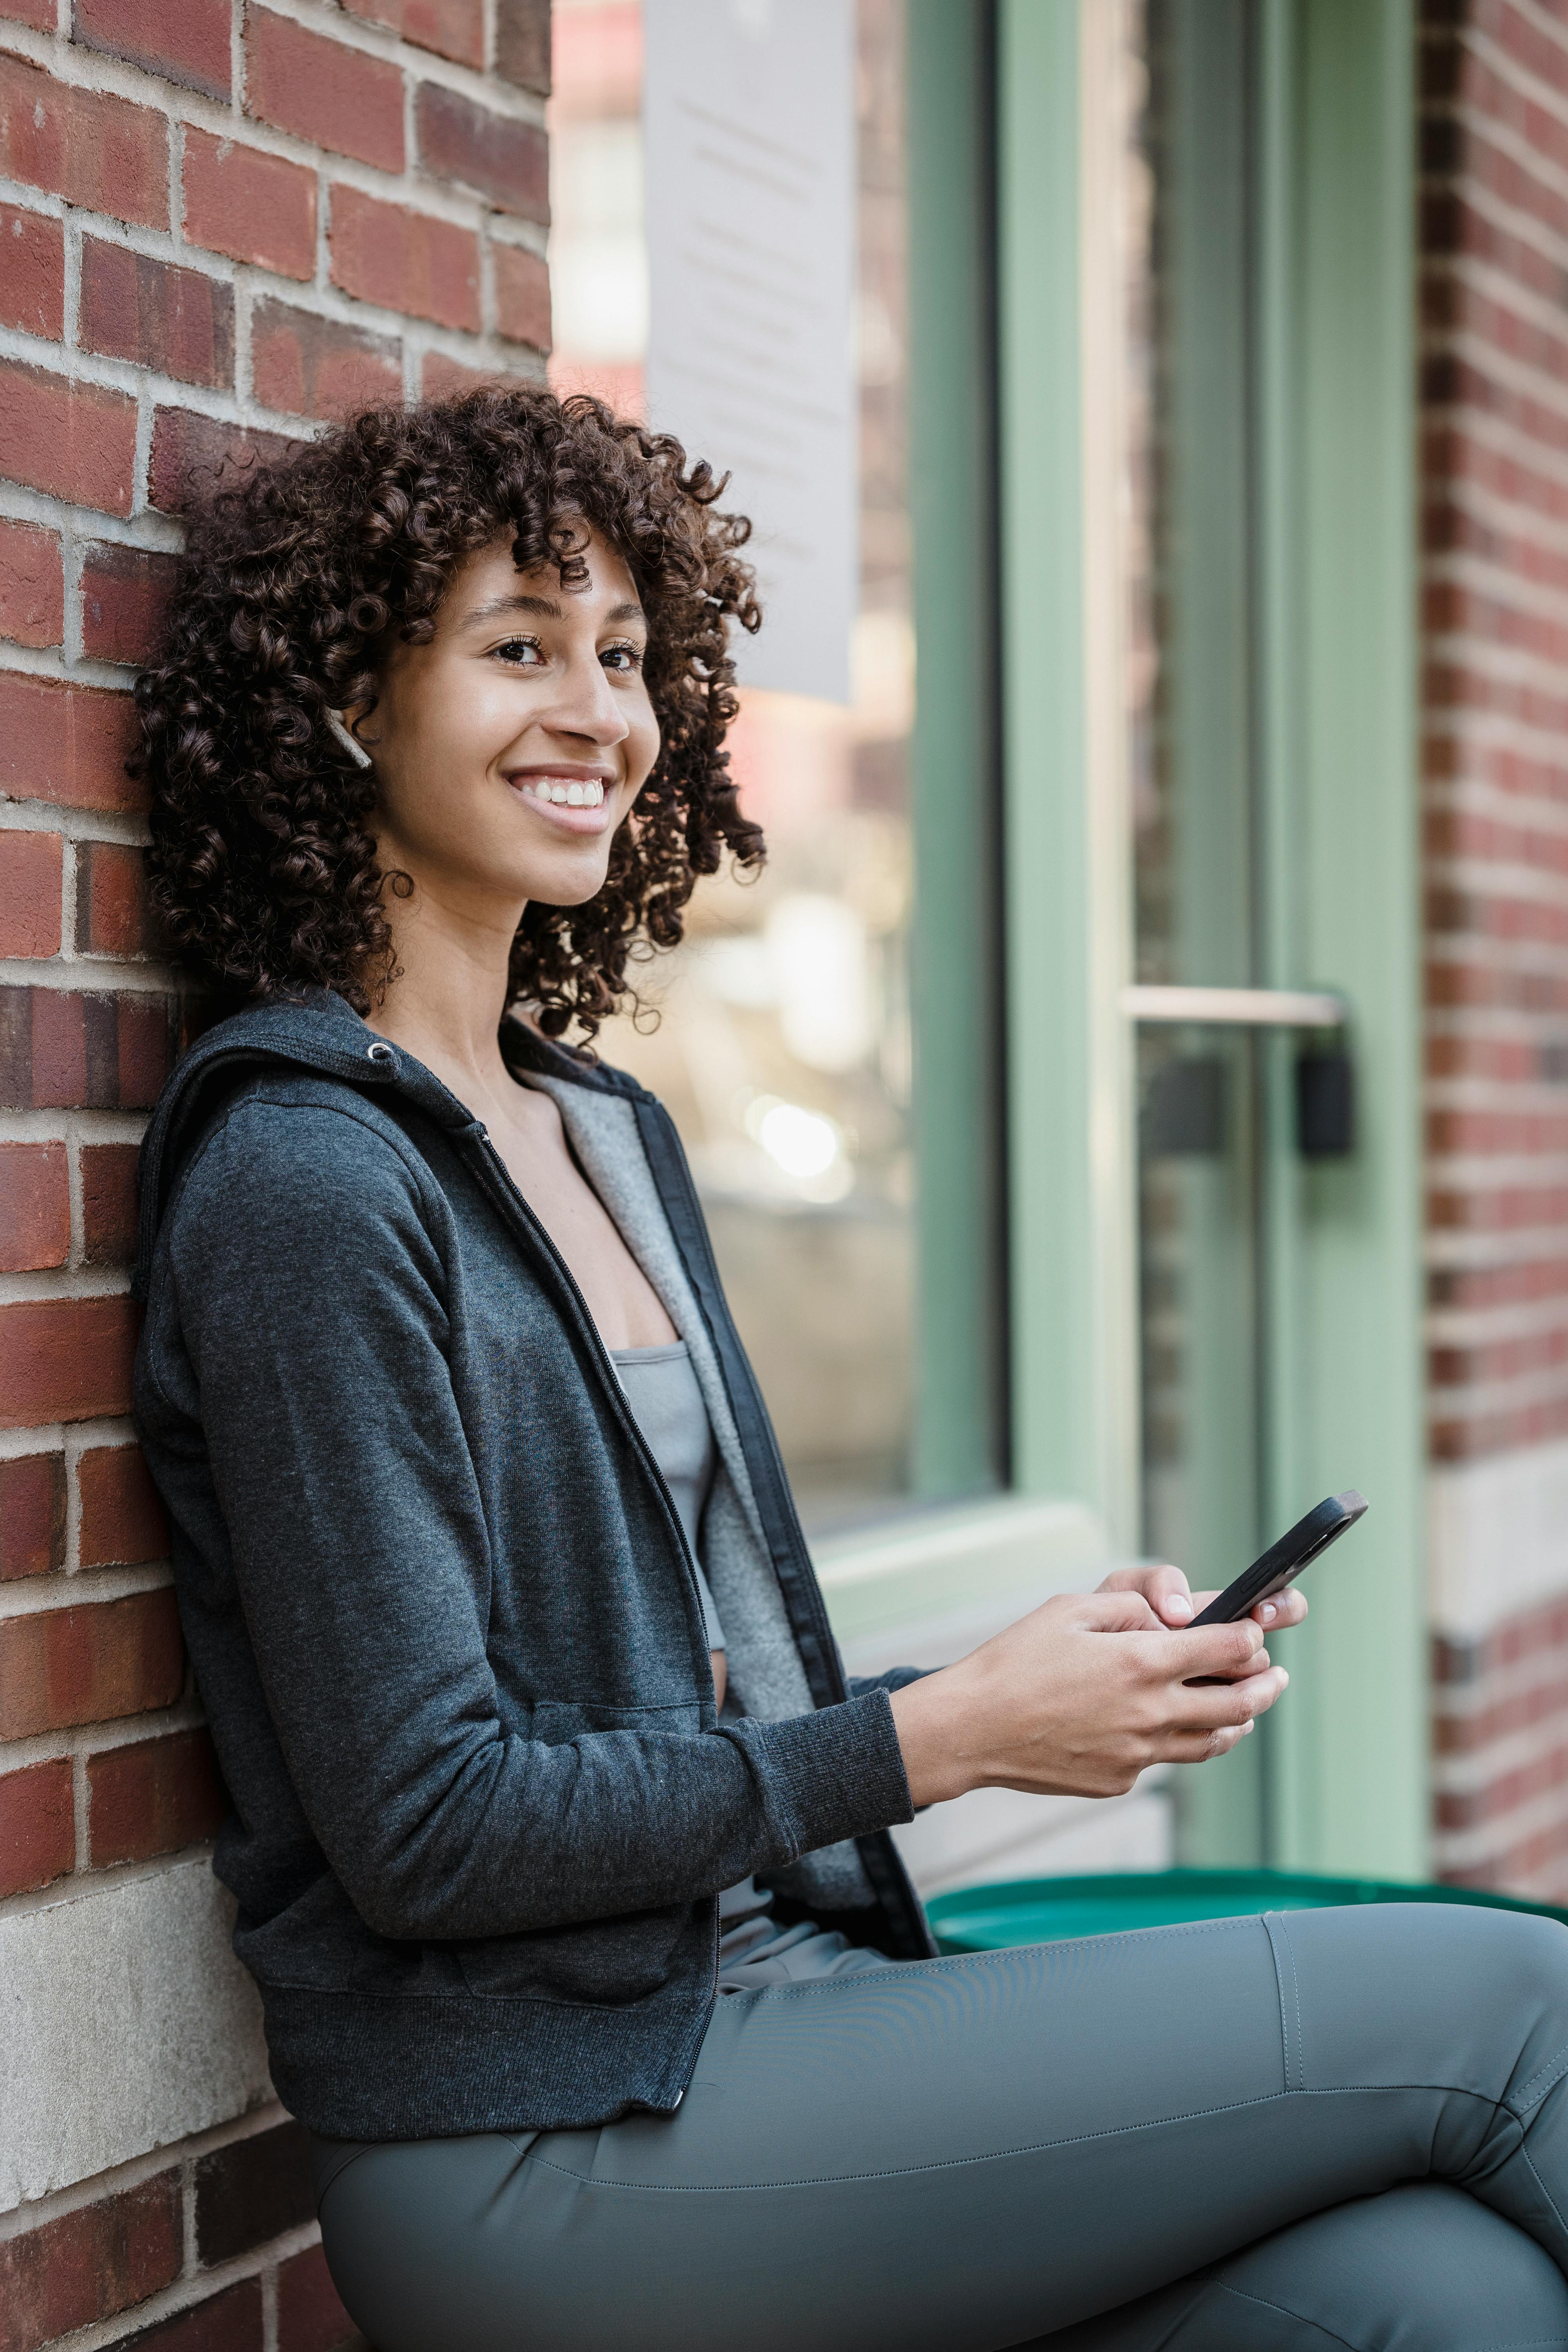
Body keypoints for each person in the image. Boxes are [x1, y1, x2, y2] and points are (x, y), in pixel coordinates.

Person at [132, 386, 1568, 2352]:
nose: (598, 713)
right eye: (518, 648)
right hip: (535, 2140)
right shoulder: (304, 1177)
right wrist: (956, 1731)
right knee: (1509, 2007)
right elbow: (433, 1825)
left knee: (1443, 2294)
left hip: (781, 2011)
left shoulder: (599, 1131)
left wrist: (1057, 1689)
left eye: (625, 656)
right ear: (346, 705)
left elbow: (689, 1718)